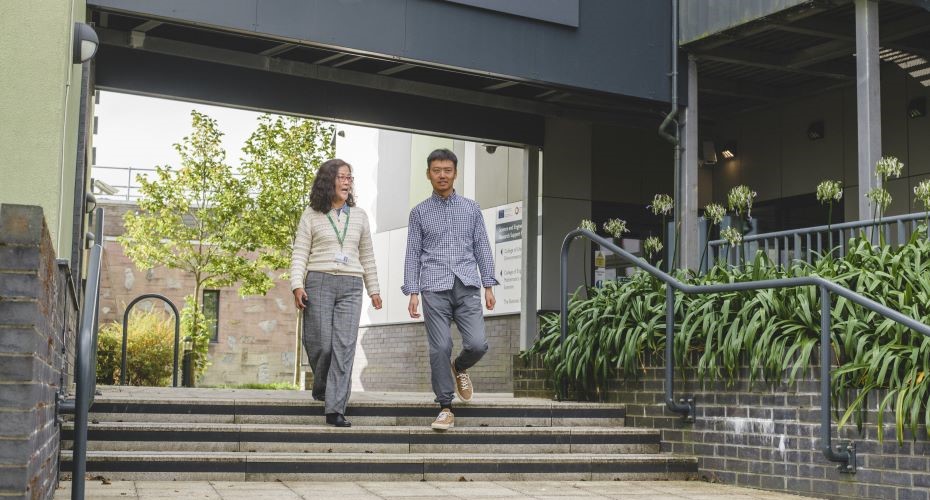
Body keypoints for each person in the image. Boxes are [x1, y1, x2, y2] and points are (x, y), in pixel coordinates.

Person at [402, 148, 498, 431]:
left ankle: (460, 367)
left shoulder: (472, 208)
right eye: (436, 170)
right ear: (428, 174)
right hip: (433, 286)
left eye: (447, 170)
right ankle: (445, 406)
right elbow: (412, 253)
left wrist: (488, 285)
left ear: (455, 173)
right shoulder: (419, 212)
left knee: (478, 344)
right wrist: (413, 291)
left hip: (467, 284)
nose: (442, 175)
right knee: (440, 347)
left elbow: (482, 246)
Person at [290, 159, 382, 428]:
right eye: (341, 177)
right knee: (323, 345)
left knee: (344, 347)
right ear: (328, 180)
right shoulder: (311, 215)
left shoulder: (360, 216)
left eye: (349, 178)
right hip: (318, 282)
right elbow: (300, 253)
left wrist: (374, 290)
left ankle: (335, 408)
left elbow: (367, 255)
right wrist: (297, 284)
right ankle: (322, 386)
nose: (347, 182)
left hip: (352, 285)